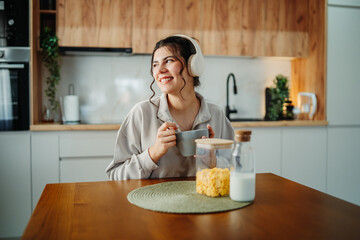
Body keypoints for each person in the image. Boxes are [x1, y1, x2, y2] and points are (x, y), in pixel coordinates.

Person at [106, 34, 234, 180]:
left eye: (168, 61)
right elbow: (115, 176)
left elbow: (237, 167)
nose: (159, 70)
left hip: (203, 201)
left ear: (194, 66)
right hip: (152, 202)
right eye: (155, 64)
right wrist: (153, 153)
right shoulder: (141, 113)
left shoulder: (216, 115)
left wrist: (213, 161)